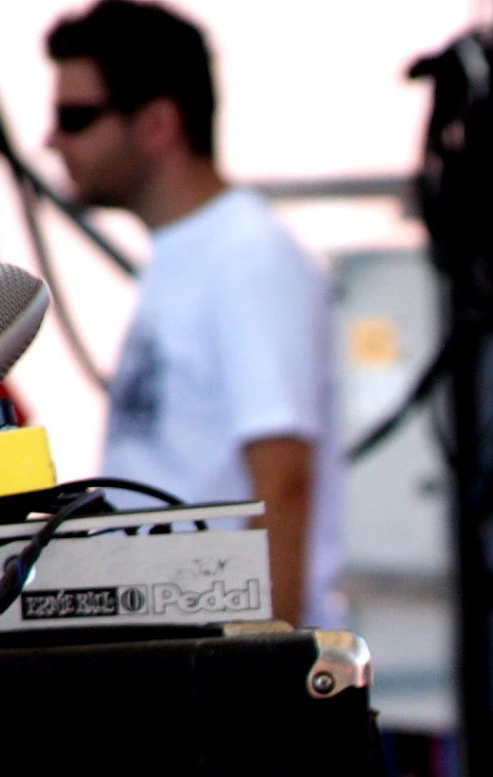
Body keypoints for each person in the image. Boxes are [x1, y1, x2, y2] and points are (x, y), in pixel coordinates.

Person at [44, 0, 344, 626]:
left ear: (157, 123)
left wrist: (268, 674)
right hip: (178, 659)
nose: (52, 140)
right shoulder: (191, 254)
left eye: (76, 117)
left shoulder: (246, 256)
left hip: (223, 674)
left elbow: (283, 478)